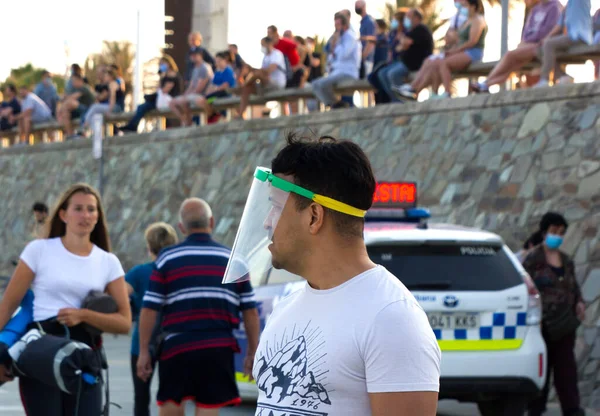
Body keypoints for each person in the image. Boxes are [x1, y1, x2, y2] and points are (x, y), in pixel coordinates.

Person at [224, 133, 441, 415]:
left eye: (276, 208)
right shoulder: (286, 308)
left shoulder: (391, 318)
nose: (266, 222)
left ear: (314, 216)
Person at [0, 183, 131, 415]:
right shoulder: (38, 250)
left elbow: (124, 322)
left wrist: (83, 315)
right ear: (63, 214)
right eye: (78, 208)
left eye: (91, 209)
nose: (85, 215)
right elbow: (8, 305)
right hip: (42, 352)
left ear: (98, 216)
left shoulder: (108, 262)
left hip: (84, 358)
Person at [137, 198, 260, 416]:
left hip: (177, 346)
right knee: (208, 408)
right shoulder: (235, 262)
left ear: (182, 228)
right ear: (211, 222)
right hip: (218, 347)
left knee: (171, 405)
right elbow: (249, 310)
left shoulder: (167, 258)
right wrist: (252, 351)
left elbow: (150, 309)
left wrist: (144, 351)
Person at [522, 212, 585, 416]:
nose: (557, 236)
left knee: (566, 369)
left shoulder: (566, 261)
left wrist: (580, 303)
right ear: (544, 231)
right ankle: (536, 408)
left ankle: (571, 408)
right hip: (542, 324)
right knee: (543, 367)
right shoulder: (533, 260)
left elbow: (573, 287)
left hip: (565, 324)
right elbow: (526, 289)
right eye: (554, 231)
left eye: (561, 232)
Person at [126, 222, 178, 416]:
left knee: (141, 399)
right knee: (171, 398)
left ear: (149, 246)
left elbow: (120, 297)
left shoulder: (139, 273)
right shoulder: (178, 270)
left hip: (142, 343)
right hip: (172, 342)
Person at [397, 0, 487, 100]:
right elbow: (457, 40)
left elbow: (472, 42)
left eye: (464, 5)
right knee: (433, 62)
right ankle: (416, 89)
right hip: (461, 51)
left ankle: (447, 93)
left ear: (473, 6)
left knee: (443, 63)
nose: (462, 8)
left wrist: (454, 51)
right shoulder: (467, 20)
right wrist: (451, 46)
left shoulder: (478, 20)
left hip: (472, 52)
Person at [470, 0, 561, 93]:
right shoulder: (535, 9)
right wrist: (524, 43)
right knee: (512, 66)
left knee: (510, 56)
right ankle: (486, 84)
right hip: (528, 46)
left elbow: (549, 31)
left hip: (540, 46)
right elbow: (527, 32)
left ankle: (486, 83)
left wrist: (529, 43)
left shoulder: (554, 6)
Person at [370, 8, 433, 103]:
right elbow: (398, 47)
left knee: (392, 74)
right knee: (382, 73)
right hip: (406, 62)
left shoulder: (420, 29)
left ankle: (404, 99)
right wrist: (402, 42)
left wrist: (403, 41)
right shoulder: (410, 30)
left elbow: (405, 44)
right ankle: (396, 100)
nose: (406, 19)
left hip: (415, 64)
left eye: (409, 17)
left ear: (416, 18)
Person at [534, 0, 592, 87]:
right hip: (571, 38)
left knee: (548, 45)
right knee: (541, 49)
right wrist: (545, 39)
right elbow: (559, 25)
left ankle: (544, 80)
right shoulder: (568, 6)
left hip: (580, 37)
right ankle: (562, 76)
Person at [119, 55, 183, 133]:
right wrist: (161, 77)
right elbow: (159, 89)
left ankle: (133, 126)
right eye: (160, 64)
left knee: (143, 107)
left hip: (169, 100)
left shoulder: (173, 75)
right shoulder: (164, 76)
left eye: (163, 63)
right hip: (161, 100)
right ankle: (132, 125)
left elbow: (164, 90)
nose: (161, 66)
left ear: (169, 64)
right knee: (142, 107)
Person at [311, 12, 362, 109]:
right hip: (336, 72)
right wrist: (334, 44)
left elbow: (343, 54)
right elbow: (331, 57)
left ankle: (337, 105)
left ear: (345, 25)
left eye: (338, 25)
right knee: (315, 84)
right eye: (335, 25)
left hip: (348, 72)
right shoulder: (338, 38)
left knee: (322, 84)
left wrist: (336, 43)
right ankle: (336, 104)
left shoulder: (350, 37)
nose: (336, 27)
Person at [236, 37, 286, 119]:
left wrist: (255, 71)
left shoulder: (277, 54)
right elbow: (262, 72)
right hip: (265, 85)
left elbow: (269, 70)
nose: (262, 47)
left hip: (276, 84)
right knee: (246, 89)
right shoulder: (265, 57)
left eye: (263, 45)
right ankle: (240, 114)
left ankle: (241, 87)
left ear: (269, 44)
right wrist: (251, 69)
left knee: (256, 74)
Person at [169, 47, 214, 127]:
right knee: (172, 103)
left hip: (205, 95)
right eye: (192, 55)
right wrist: (185, 95)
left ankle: (212, 117)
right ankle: (187, 121)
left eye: (195, 55)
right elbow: (191, 85)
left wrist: (187, 96)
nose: (193, 57)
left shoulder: (204, 67)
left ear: (200, 55)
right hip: (194, 95)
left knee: (185, 100)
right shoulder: (195, 68)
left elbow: (200, 88)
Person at [195, 51, 236, 124]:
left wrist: (214, 89)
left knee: (203, 101)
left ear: (225, 60)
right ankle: (212, 115)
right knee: (200, 101)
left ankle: (213, 116)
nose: (217, 63)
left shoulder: (228, 71)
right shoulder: (218, 72)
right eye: (216, 61)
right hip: (216, 94)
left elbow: (225, 85)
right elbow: (212, 85)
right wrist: (210, 91)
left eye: (219, 61)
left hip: (224, 94)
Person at [57, 73, 95, 138]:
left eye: (74, 81)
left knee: (69, 103)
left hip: (88, 110)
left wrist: (61, 108)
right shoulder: (74, 89)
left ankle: (81, 132)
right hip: (79, 111)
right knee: (65, 113)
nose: (73, 83)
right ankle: (70, 135)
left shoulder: (84, 88)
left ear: (80, 80)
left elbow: (72, 98)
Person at [355, 0, 377, 78]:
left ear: (364, 6)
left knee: (366, 84)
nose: (356, 7)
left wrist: (363, 57)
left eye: (358, 5)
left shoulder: (369, 21)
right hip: (363, 59)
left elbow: (371, 41)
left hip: (367, 60)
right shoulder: (363, 22)